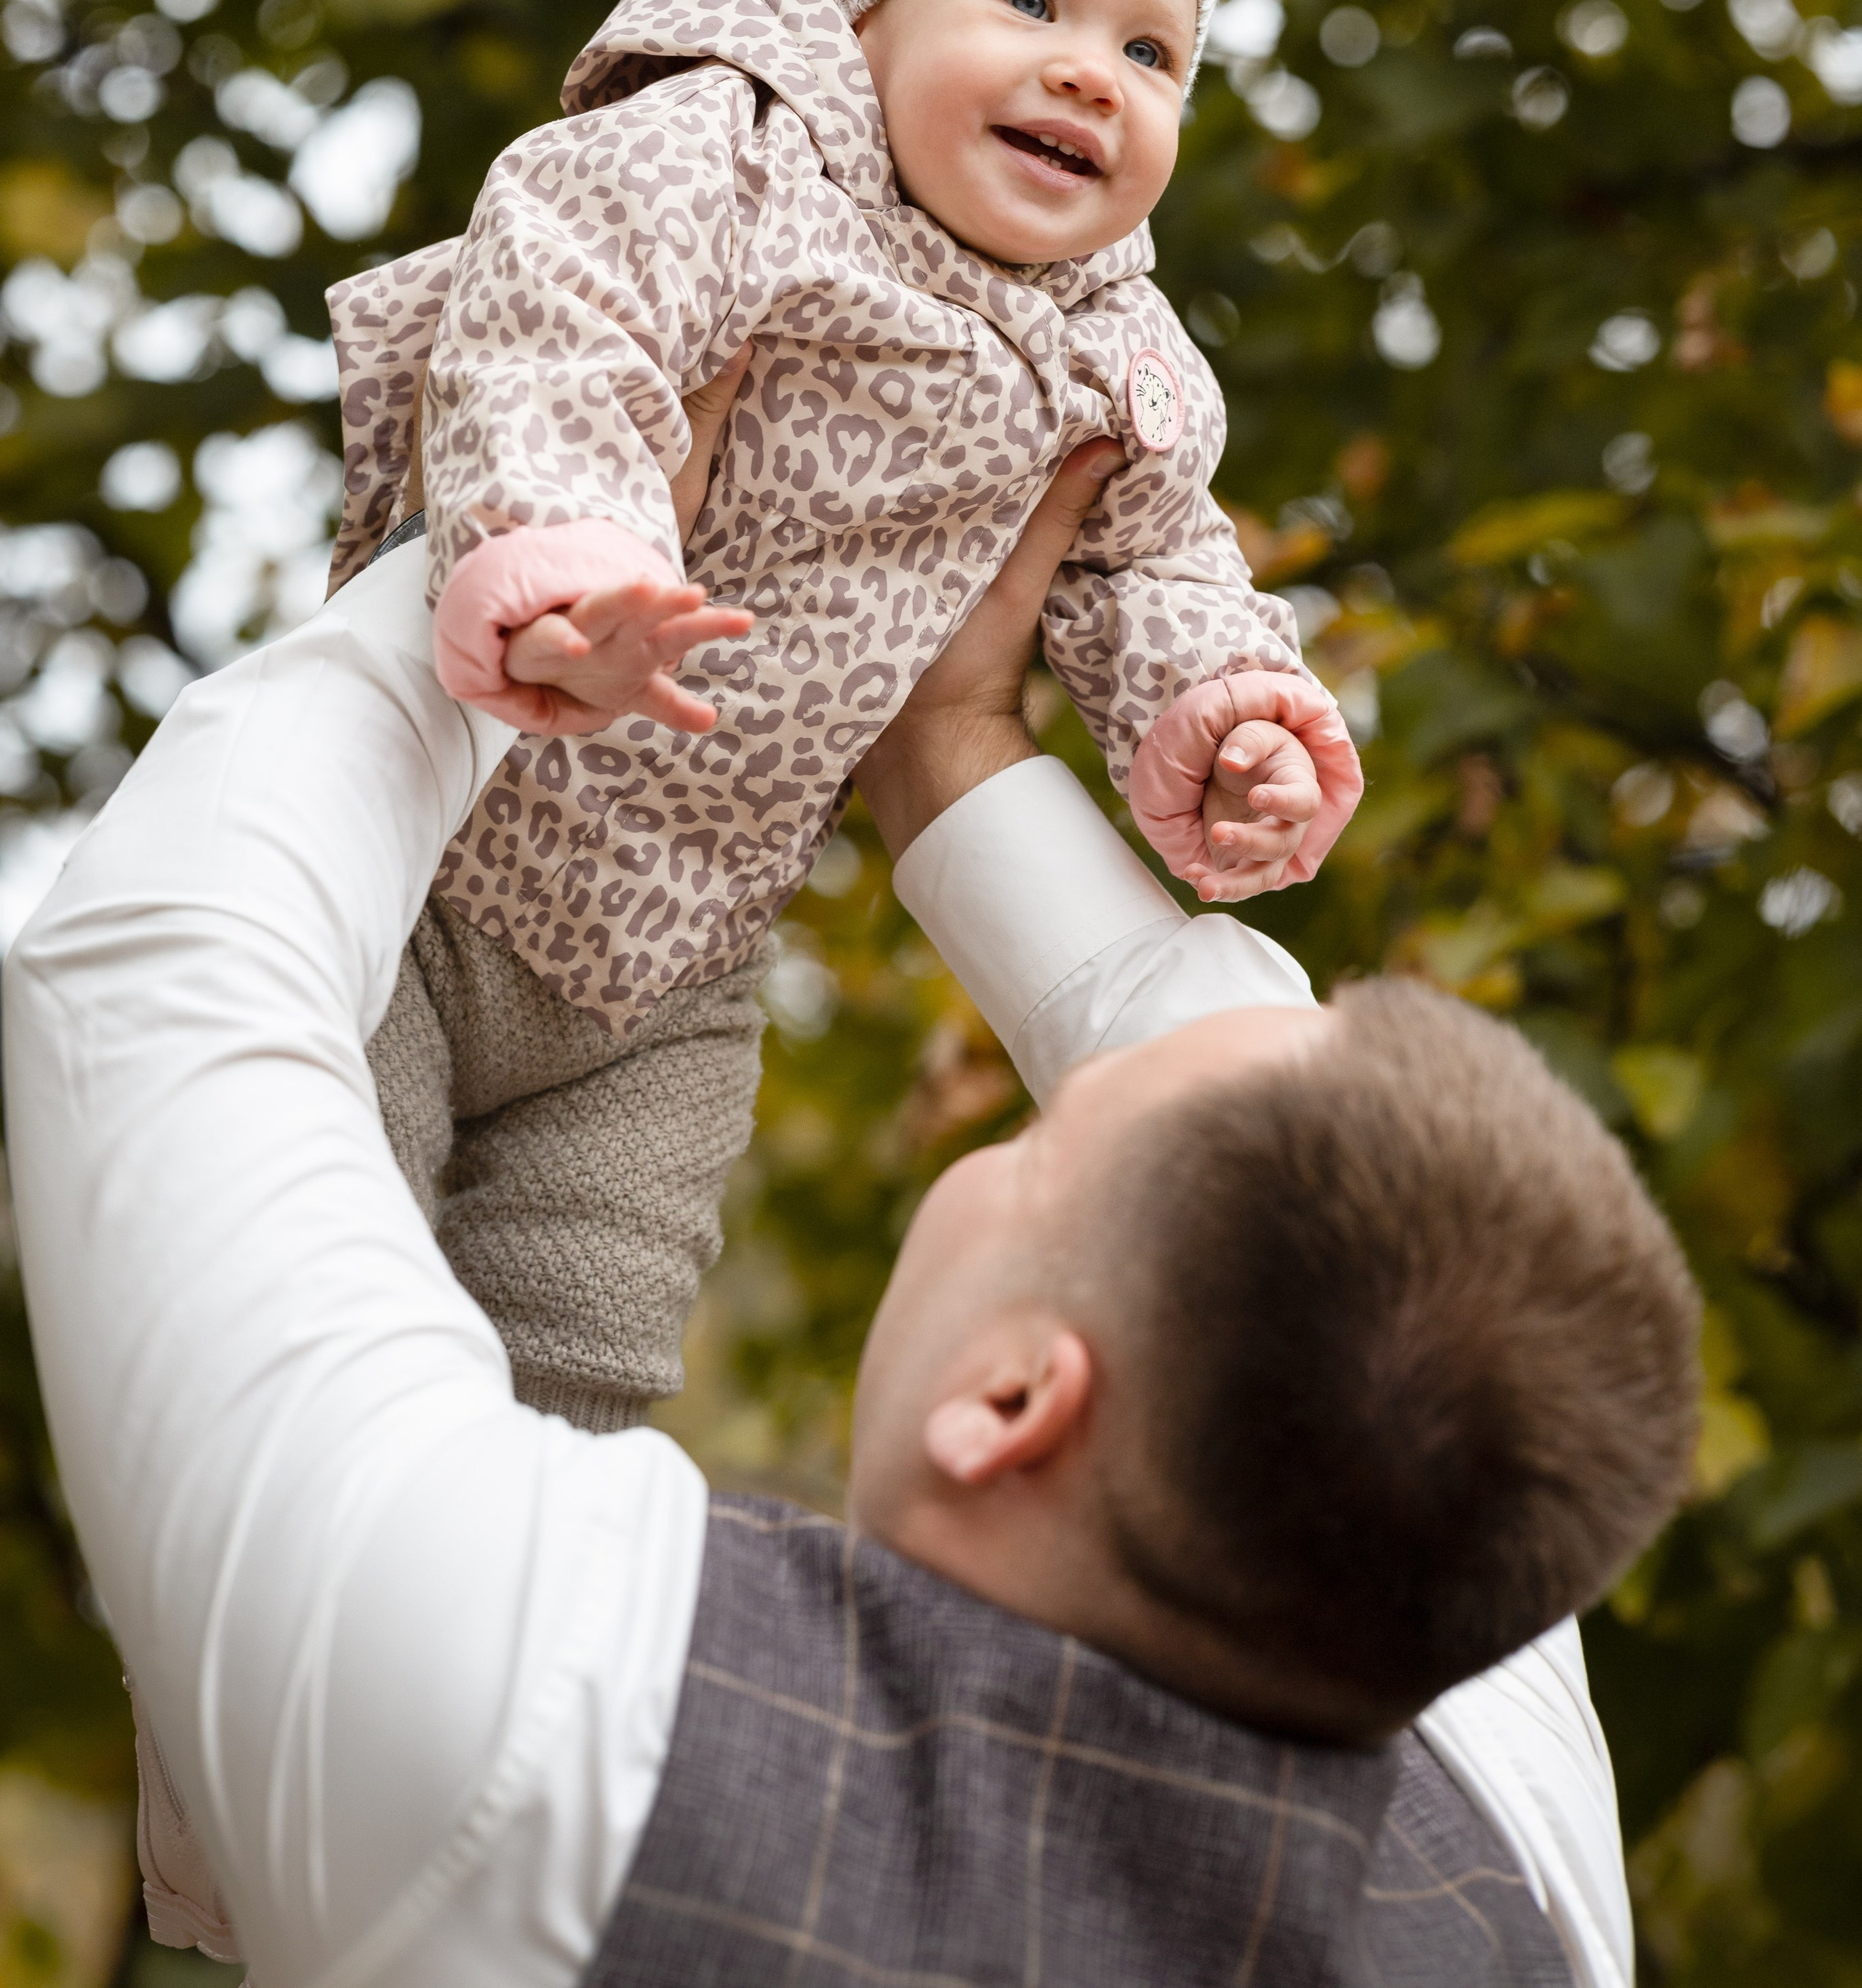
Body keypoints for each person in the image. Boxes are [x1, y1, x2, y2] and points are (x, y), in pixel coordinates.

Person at [5, 458, 1697, 1988]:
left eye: (1035, 1150)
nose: (1023, 1133)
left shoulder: (538, 1720)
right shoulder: (1519, 1874)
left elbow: (167, 963)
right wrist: (946, 741)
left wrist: (536, 540)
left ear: (1013, 1401)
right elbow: (1235, 1070)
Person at [327, 0, 1362, 1429]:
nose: (1090, 72)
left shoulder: (1112, 352)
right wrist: (574, 552)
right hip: (424, 855)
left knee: (587, 1345)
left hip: (675, 956)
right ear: (863, 7)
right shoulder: (734, 159)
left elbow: (1154, 560)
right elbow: (558, 317)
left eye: (1151, 53)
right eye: (1028, 2)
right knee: (334, 1277)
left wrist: (1228, 716)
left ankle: (537, 1567)